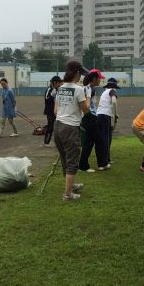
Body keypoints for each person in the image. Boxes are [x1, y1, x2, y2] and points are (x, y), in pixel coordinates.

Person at [54, 61, 90, 201]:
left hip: (58, 126)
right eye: (80, 73)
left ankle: (71, 185)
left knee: (65, 158)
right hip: (70, 128)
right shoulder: (79, 89)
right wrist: (88, 96)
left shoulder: (61, 88)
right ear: (77, 73)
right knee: (72, 161)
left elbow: (56, 110)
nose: (81, 76)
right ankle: (68, 195)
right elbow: (86, 110)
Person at [79, 69, 110, 172]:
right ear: (94, 79)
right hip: (90, 117)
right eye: (99, 78)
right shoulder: (89, 89)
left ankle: (96, 164)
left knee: (92, 142)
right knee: (96, 141)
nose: (100, 80)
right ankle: (93, 165)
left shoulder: (87, 88)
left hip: (88, 117)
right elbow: (86, 105)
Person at [96, 77, 119, 165]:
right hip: (105, 117)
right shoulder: (112, 91)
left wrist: (112, 115)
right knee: (106, 139)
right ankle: (104, 161)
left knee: (105, 138)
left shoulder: (104, 92)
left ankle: (107, 159)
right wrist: (116, 114)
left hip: (100, 115)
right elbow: (114, 101)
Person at [43, 75, 62, 147]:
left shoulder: (59, 89)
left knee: (59, 128)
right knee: (50, 127)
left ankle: (58, 143)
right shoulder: (49, 90)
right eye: (59, 83)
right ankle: (46, 142)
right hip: (50, 112)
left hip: (58, 112)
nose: (60, 84)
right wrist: (52, 94)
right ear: (55, 82)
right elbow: (47, 100)